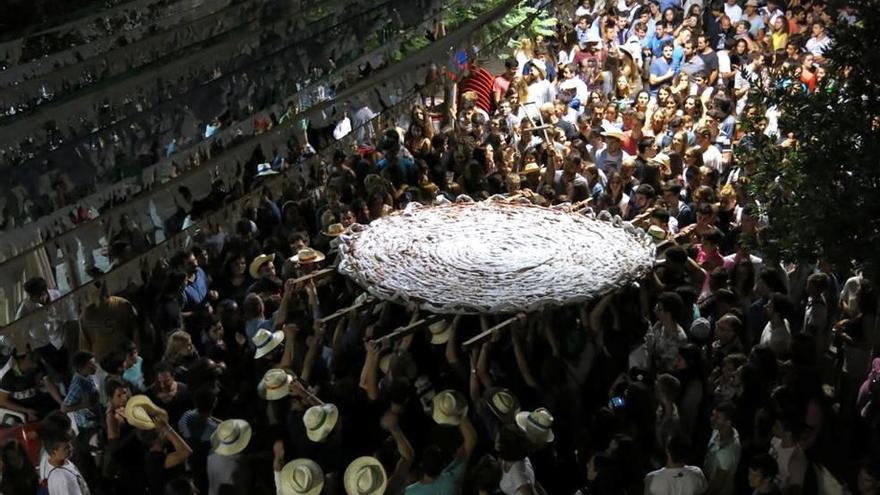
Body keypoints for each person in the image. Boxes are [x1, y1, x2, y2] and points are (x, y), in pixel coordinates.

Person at [703, 403, 741, 495]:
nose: (712, 419)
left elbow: (718, 483)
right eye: (713, 415)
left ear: (728, 422)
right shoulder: (718, 430)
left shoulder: (727, 452)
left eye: (717, 417)